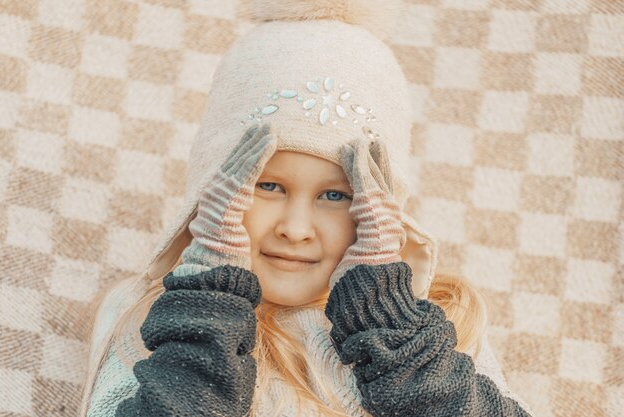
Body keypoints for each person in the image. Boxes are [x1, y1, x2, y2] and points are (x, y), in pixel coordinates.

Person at [79, 1, 535, 416]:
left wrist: (390, 326)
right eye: (269, 186)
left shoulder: (437, 322)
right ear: (213, 188)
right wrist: (209, 309)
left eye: (335, 196)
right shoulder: (153, 316)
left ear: (382, 211)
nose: (296, 229)